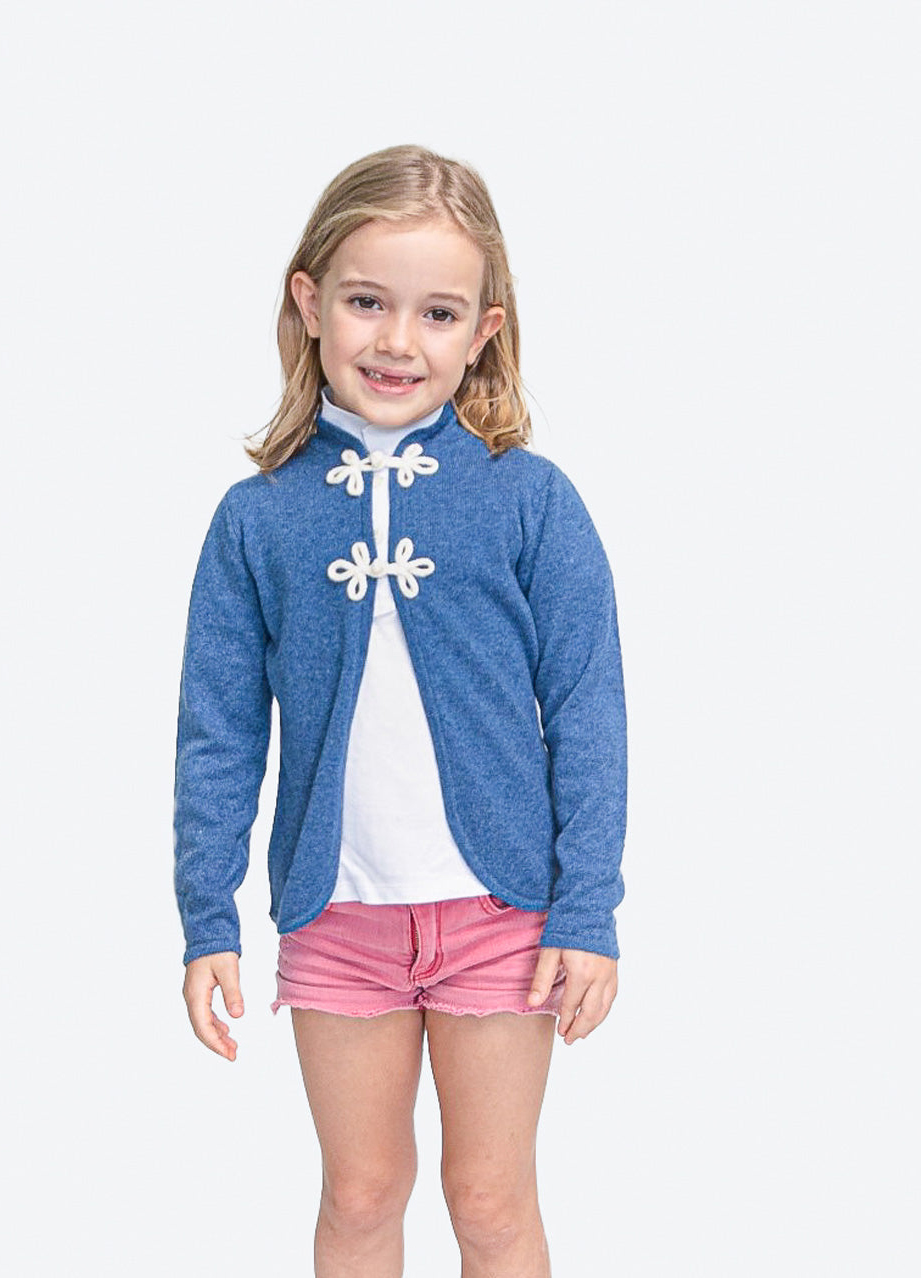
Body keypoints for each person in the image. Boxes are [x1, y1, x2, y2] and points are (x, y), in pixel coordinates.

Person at [173, 143, 628, 1278]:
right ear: (309, 301)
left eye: (437, 313)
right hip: (337, 913)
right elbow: (217, 730)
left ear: (483, 330)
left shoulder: (532, 501)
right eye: (367, 301)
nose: (396, 341)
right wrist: (207, 916)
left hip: (504, 914)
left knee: (490, 1200)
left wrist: (587, 908)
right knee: (362, 1193)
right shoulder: (255, 518)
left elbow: (588, 711)